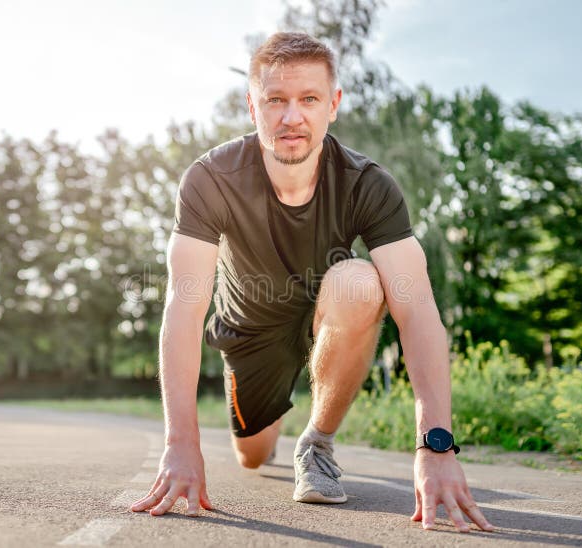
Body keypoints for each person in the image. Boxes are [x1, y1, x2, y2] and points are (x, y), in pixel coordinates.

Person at [131, 31, 494, 533]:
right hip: (250, 331)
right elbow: (185, 307)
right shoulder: (210, 179)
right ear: (252, 107)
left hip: (329, 308)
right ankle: (270, 411)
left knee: (363, 283)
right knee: (253, 457)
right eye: (275, 100)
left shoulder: (367, 184)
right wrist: (181, 446)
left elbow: (417, 310)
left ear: (333, 105)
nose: (291, 116)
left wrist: (436, 445)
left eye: (308, 99)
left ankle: (317, 442)